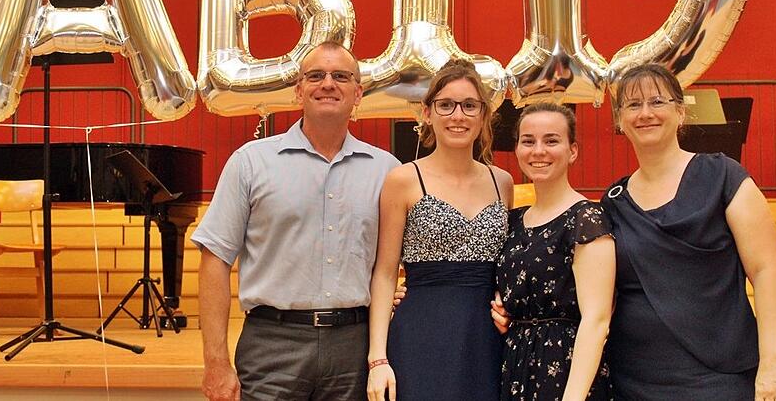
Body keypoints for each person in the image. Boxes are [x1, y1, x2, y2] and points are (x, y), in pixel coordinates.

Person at [192, 42, 400, 401]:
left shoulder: (387, 171)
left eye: (341, 76)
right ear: (298, 90)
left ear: (358, 93)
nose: (328, 84)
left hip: (354, 346)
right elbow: (214, 261)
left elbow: (400, 260)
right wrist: (215, 362)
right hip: (272, 344)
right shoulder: (250, 162)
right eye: (315, 75)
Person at [600, 64, 776, 400]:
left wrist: (774, 363)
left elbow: (766, 270)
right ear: (619, 121)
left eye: (657, 101)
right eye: (633, 104)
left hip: (719, 379)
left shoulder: (724, 176)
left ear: (680, 112)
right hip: (632, 380)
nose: (645, 113)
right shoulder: (613, 201)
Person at [367, 58, 514, 401]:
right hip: (421, 332)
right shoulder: (403, 180)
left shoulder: (502, 182)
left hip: (487, 335)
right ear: (427, 113)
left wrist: (506, 302)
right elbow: (385, 273)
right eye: (445, 105)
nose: (457, 116)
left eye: (469, 105)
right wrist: (378, 359)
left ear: (483, 114)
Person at [495, 102, 615, 400]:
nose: (538, 151)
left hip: (567, 369)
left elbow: (597, 319)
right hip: (516, 364)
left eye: (551, 140)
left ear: (572, 150)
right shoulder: (514, 220)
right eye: (528, 141)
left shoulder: (585, 218)